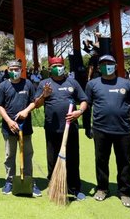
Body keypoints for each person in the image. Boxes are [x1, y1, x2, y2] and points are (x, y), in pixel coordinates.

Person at [85, 55, 130, 208]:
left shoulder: (126, 84)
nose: (107, 66)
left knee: (124, 162)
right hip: (100, 129)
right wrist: (87, 127)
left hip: (123, 130)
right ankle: (102, 188)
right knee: (101, 161)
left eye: (110, 63)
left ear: (116, 65)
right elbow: (87, 106)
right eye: (103, 64)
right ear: (98, 67)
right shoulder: (92, 84)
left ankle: (124, 191)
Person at [34, 56, 88, 200]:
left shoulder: (72, 82)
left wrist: (79, 112)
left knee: (72, 158)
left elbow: (83, 101)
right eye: (55, 65)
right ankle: (55, 185)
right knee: (52, 159)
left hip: (71, 128)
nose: (58, 67)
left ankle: (75, 188)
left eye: (60, 65)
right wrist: (44, 96)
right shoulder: (44, 83)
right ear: (50, 68)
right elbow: (37, 104)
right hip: (52, 129)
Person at [0, 59, 41, 197]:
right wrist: (9, 121)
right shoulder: (3, 86)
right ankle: (9, 181)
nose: (15, 71)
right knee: (10, 155)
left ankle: (29, 181)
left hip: (25, 127)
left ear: (21, 70)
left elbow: (34, 101)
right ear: (8, 70)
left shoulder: (28, 84)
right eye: (12, 69)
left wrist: (26, 111)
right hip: (9, 128)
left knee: (27, 155)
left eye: (17, 69)